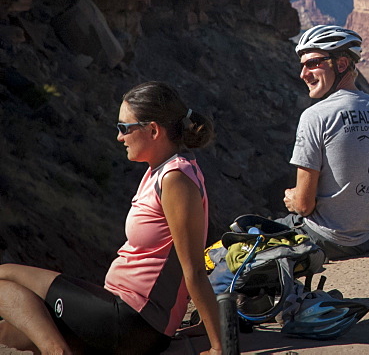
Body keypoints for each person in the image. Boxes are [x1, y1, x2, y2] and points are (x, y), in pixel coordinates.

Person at [0, 81, 223, 355]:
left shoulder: (175, 179)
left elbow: (194, 270)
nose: (119, 137)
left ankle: (56, 352)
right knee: (9, 332)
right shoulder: (158, 171)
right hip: (116, 309)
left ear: (153, 130)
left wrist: (218, 346)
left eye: (124, 128)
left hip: (134, 320)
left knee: (4, 276)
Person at [281, 24, 369, 260]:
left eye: (312, 63)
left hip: (325, 239)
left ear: (341, 64)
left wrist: (293, 198)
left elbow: (304, 205)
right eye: (302, 65)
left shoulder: (315, 116)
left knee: (241, 238)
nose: (303, 74)